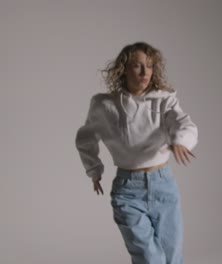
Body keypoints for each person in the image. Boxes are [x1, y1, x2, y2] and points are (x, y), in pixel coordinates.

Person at [75, 42, 198, 264]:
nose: (144, 72)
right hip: (127, 190)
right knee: (150, 258)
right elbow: (85, 137)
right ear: (123, 68)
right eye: (137, 65)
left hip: (164, 187)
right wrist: (93, 169)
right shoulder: (105, 104)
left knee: (172, 258)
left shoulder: (164, 98)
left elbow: (182, 121)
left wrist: (180, 140)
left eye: (149, 66)